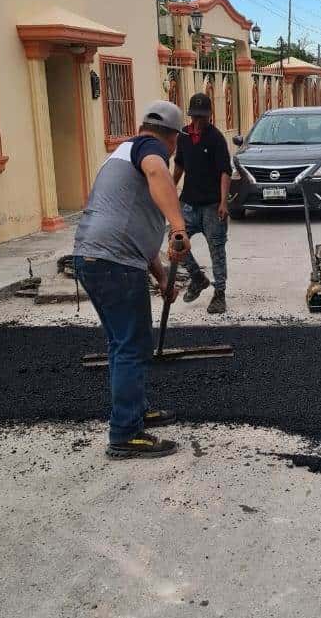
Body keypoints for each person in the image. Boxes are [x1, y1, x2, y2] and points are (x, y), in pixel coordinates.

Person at [74, 101, 191, 460]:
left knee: (121, 343)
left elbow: (137, 234)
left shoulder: (120, 155)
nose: (173, 149)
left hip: (92, 256)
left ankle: (135, 413)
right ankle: (124, 434)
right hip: (113, 262)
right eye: (176, 142)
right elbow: (158, 172)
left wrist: (162, 280)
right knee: (132, 346)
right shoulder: (149, 147)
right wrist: (179, 226)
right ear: (171, 137)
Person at [173, 92, 232, 314]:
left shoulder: (216, 138)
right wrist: (168, 192)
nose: (199, 121)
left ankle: (220, 293)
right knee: (175, 243)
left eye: (203, 117)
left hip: (212, 205)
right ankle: (197, 277)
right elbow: (179, 166)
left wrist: (223, 202)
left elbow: (225, 172)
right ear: (191, 116)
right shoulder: (183, 136)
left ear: (209, 116)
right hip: (188, 203)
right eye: (196, 117)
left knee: (216, 250)